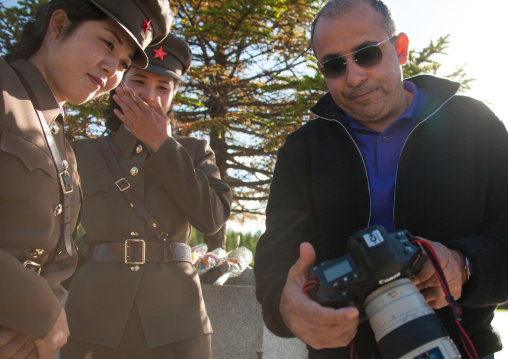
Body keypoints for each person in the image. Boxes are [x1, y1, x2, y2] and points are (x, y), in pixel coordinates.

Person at [254, 0, 508, 358]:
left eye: (367, 54)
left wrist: (465, 265)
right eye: (334, 64)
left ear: (400, 49)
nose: (354, 77)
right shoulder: (302, 149)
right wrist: (284, 303)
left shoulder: (475, 124)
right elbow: (278, 248)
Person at [0, 0, 171, 358]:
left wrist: (39, 323)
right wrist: (39, 312)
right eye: (108, 43)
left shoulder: (58, 137)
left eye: (124, 63)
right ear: (58, 25)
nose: (112, 70)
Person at [60, 34, 233, 359]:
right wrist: (93, 279)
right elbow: (57, 239)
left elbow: (211, 219)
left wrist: (164, 147)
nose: (150, 96)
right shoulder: (82, 153)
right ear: (118, 84)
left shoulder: (195, 151)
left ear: (173, 95)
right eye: (139, 81)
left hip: (177, 323)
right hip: (94, 320)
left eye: (163, 88)